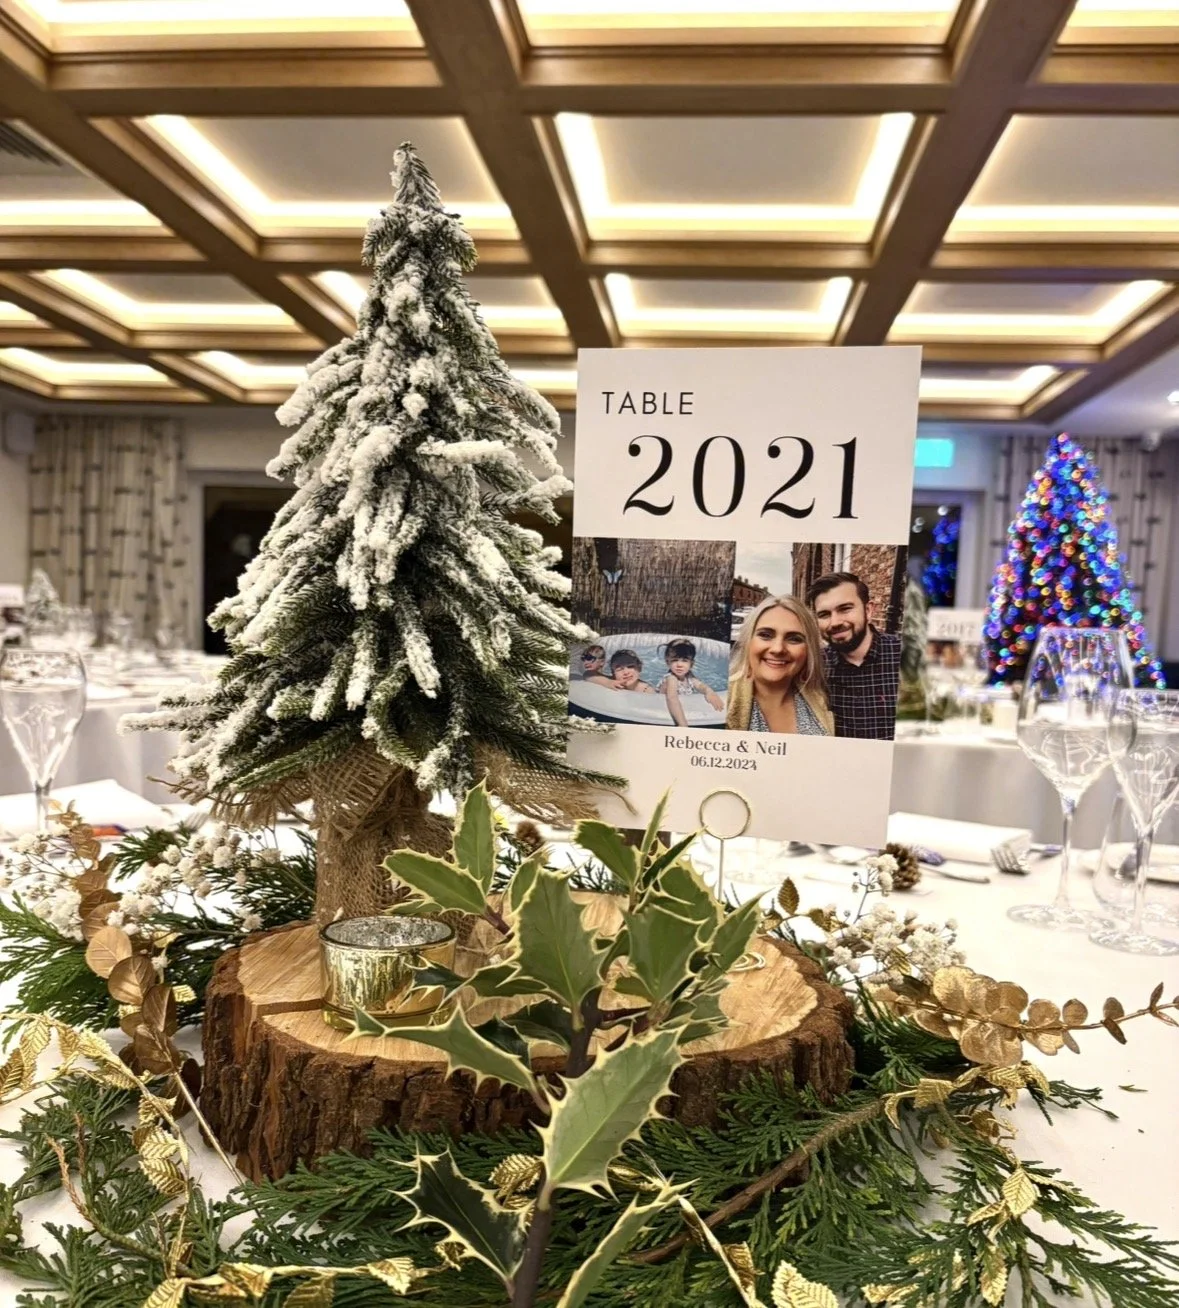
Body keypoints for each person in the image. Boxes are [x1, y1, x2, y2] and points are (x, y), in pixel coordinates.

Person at [806, 571, 901, 740]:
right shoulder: (813, 668)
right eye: (824, 614)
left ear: (868, 610)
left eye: (845, 609)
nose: (835, 622)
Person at [726, 596, 832, 734]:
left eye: (794, 639)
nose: (778, 649)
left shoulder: (818, 699)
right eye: (765, 635)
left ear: (808, 649)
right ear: (748, 641)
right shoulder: (721, 701)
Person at [659, 637, 724, 726]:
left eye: (684, 660)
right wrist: (683, 724)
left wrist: (709, 692)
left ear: (691, 664)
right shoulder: (671, 679)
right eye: (674, 660)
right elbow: (672, 699)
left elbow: (700, 685)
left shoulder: (689, 676)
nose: (679, 665)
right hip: (662, 710)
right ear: (668, 662)